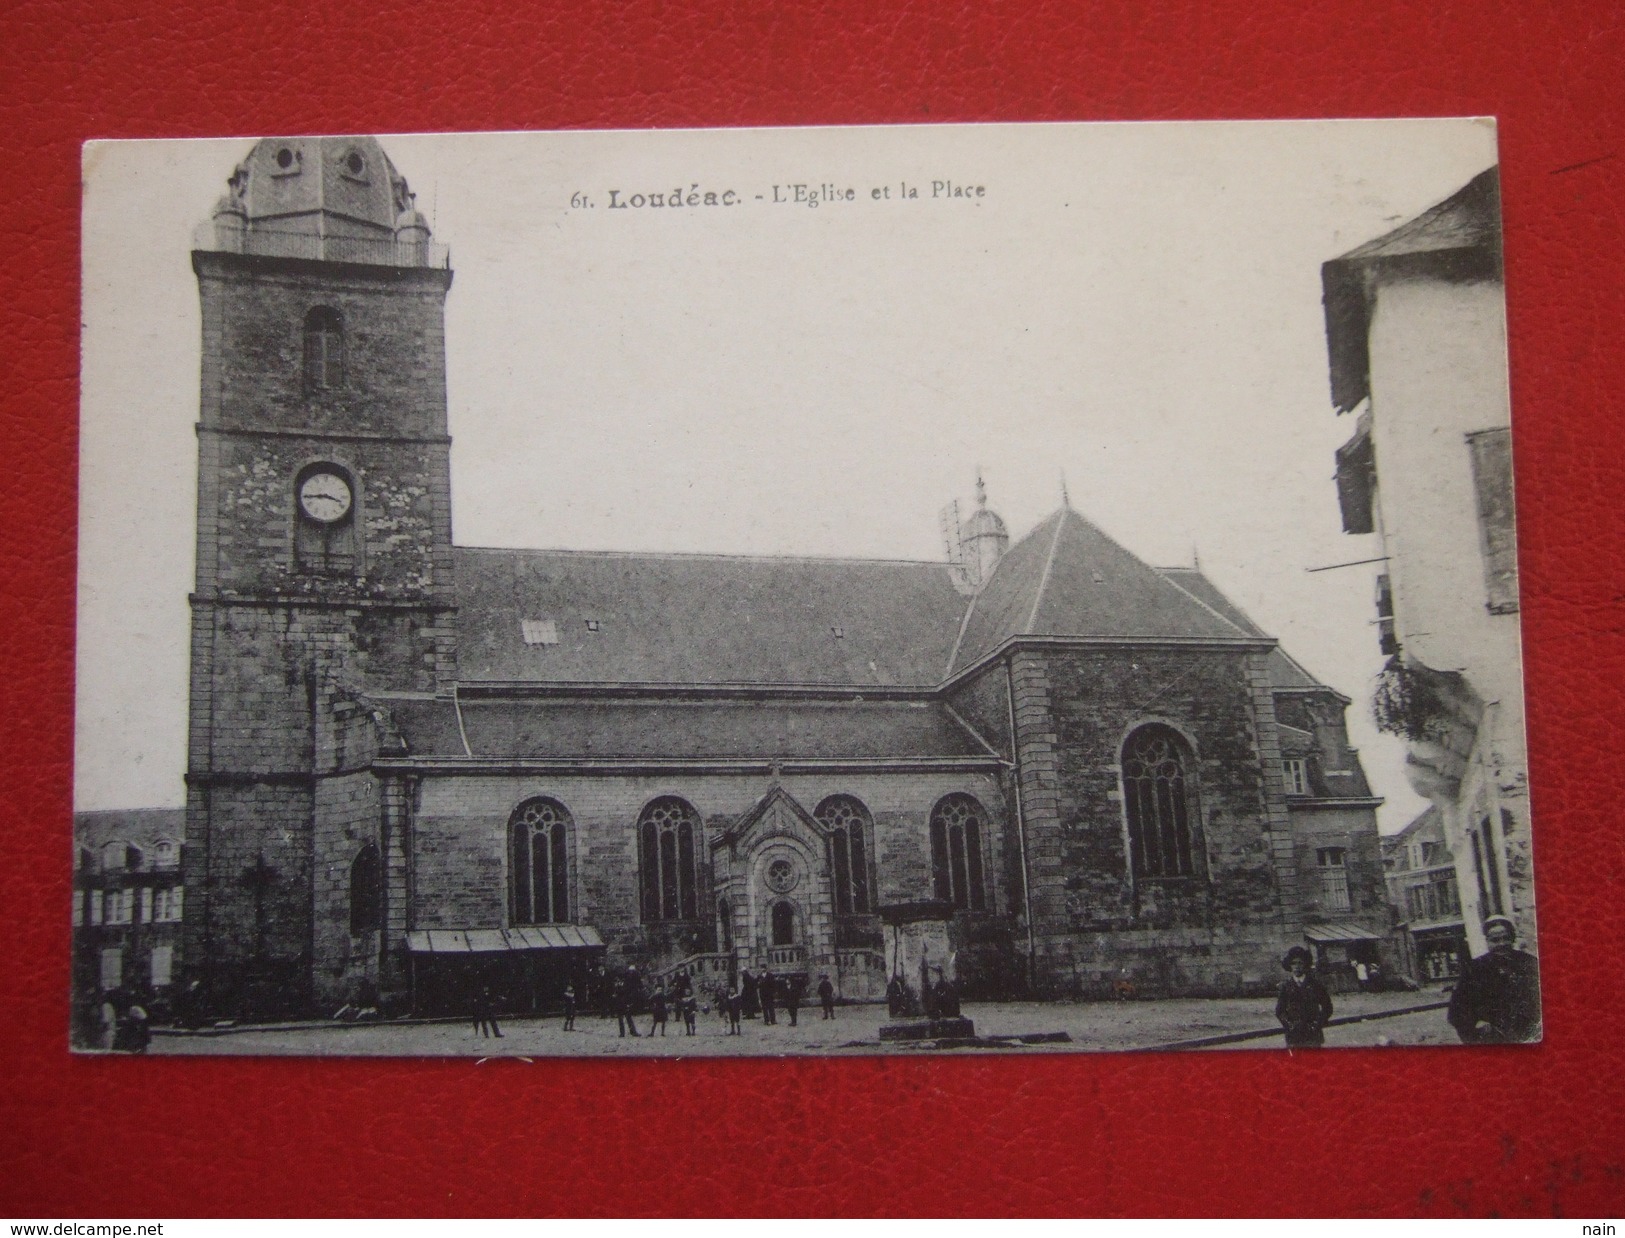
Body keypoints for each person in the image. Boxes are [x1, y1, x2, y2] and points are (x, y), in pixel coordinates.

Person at [1447, 915, 1542, 1044]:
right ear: (1487, 941)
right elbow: (1457, 1010)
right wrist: (1475, 1028)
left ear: (1513, 939)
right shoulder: (1474, 969)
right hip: (1492, 1039)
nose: (1501, 944)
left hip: (1526, 1037)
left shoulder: (1529, 963)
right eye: (1495, 940)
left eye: (1506, 938)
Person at [1275, 946, 1333, 1048]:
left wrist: (1316, 1024)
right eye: (1293, 963)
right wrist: (1290, 1025)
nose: (1297, 966)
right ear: (1289, 965)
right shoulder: (1285, 986)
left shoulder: (1315, 985)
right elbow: (1280, 1011)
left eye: (1300, 963)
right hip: (1293, 1037)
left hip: (1312, 1036)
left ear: (1305, 964)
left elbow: (1327, 1008)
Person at [616, 968, 642, 1038]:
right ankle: (628, 1032)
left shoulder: (626, 982)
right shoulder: (626, 982)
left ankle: (627, 1032)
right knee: (625, 1017)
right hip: (622, 1001)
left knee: (625, 1017)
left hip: (623, 1000)